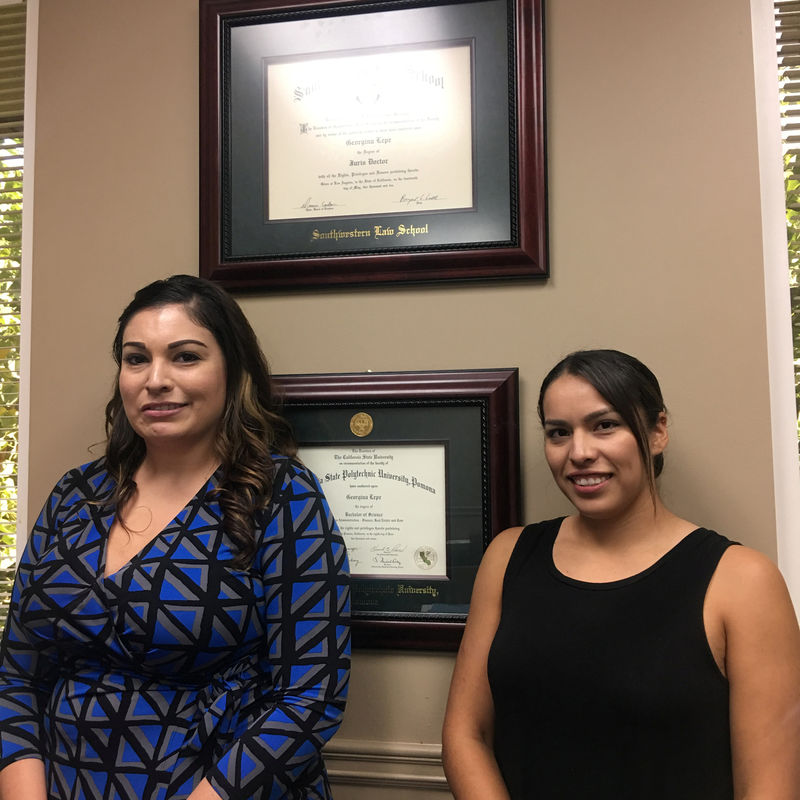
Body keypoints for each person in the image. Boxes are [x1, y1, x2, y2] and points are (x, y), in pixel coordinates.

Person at [0, 275, 350, 800]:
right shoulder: (78, 493)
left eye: (185, 357)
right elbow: (17, 677)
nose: (155, 379)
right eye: (136, 359)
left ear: (233, 371)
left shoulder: (281, 495)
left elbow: (310, 696)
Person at [442, 349, 800, 799]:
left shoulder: (743, 581)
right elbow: (465, 733)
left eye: (604, 425)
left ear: (657, 431)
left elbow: (771, 788)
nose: (580, 452)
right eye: (559, 433)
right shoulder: (509, 557)